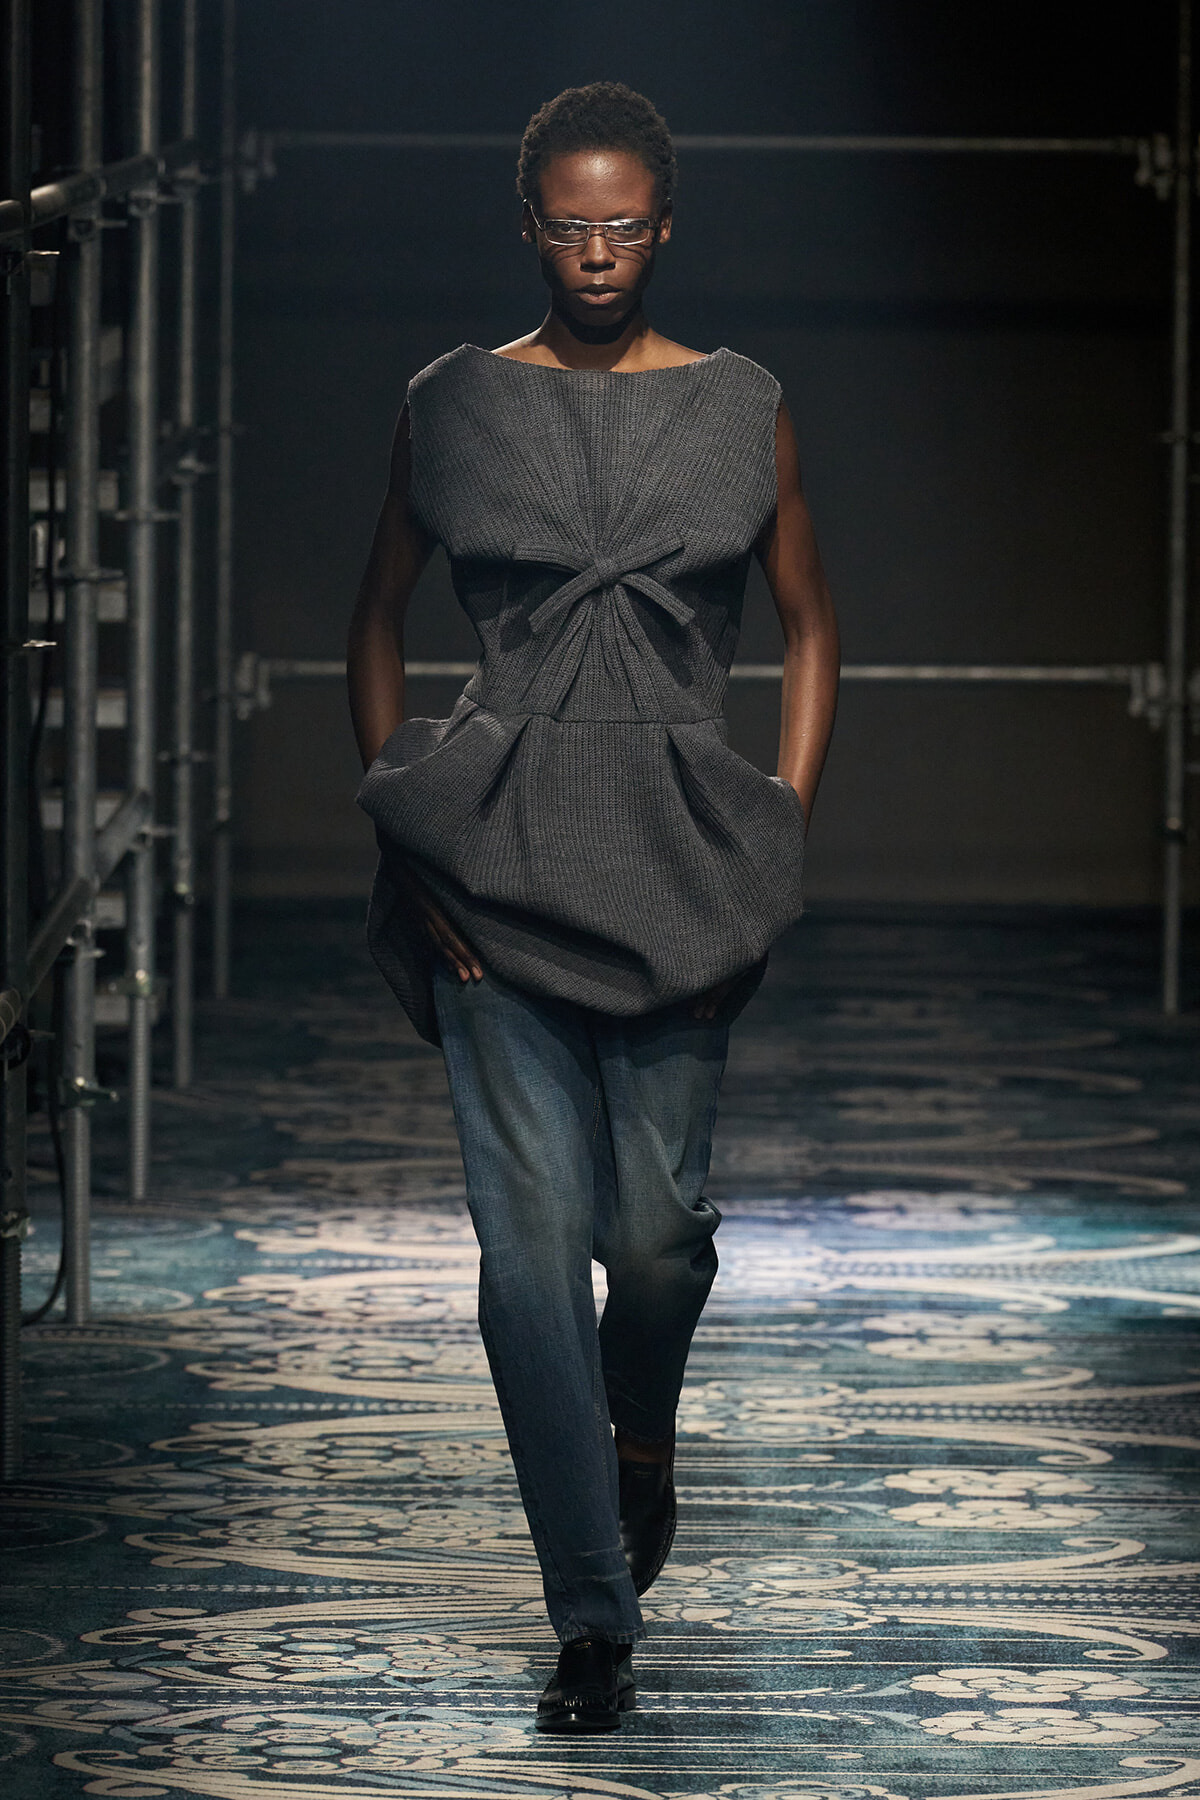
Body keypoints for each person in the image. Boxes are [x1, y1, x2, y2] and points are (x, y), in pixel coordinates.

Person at [347, 81, 840, 1733]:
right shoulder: (455, 404)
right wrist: (413, 842)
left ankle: (644, 1438)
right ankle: (591, 1620)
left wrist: (777, 831)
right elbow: (375, 622)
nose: (599, 248)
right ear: (530, 224)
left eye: (625, 220)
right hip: (493, 864)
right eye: (571, 220)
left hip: (680, 864)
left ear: (666, 224)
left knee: (655, 1240)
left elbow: (810, 623)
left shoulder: (740, 405)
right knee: (529, 1254)